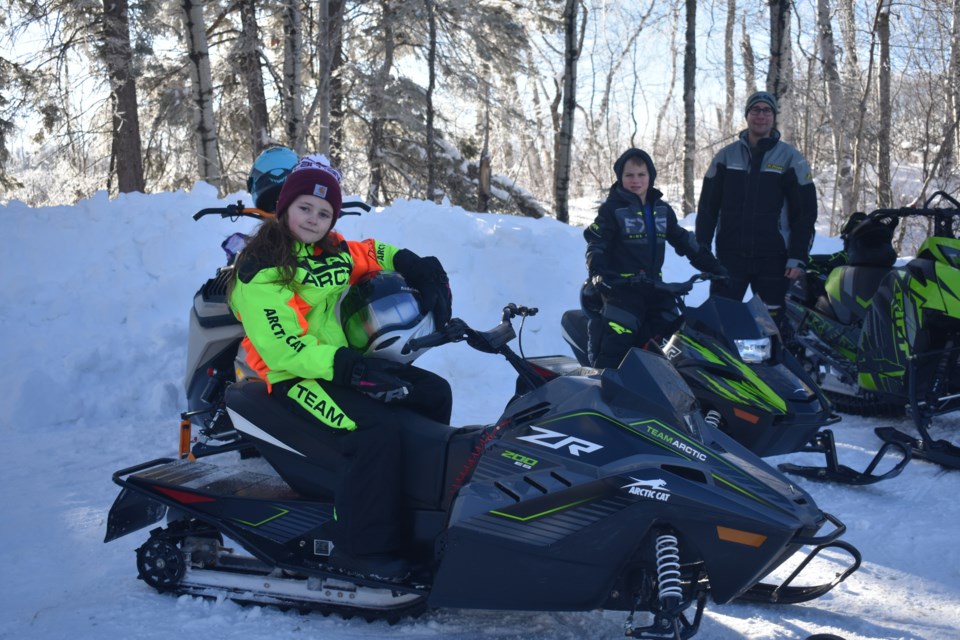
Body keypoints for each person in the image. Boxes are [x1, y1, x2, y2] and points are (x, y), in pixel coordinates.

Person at [227, 154, 453, 580]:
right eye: (305, 209)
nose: (313, 219)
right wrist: (348, 368)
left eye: (324, 213)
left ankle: (419, 513)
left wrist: (413, 263)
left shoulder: (330, 250)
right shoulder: (263, 268)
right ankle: (362, 550)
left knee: (432, 392)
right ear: (285, 207)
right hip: (293, 377)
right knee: (374, 431)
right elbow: (283, 348)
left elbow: (370, 253)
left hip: (341, 365)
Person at [583, 148, 727, 368]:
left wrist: (715, 267)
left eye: (641, 174)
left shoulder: (661, 210)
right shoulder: (612, 210)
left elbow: (684, 240)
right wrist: (598, 273)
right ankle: (603, 387)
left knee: (675, 339)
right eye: (629, 175)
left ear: (650, 176)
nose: (636, 180)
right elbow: (596, 245)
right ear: (620, 178)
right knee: (618, 344)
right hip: (620, 290)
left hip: (655, 288)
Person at [696, 90, 818, 329]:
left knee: (772, 327)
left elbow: (804, 215)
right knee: (721, 323)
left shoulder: (790, 158)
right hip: (729, 258)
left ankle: (773, 365)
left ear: (773, 116)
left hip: (774, 261)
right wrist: (702, 251)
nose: (760, 116)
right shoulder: (725, 157)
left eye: (766, 110)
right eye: (755, 110)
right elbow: (707, 208)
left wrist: (798, 257)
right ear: (747, 115)